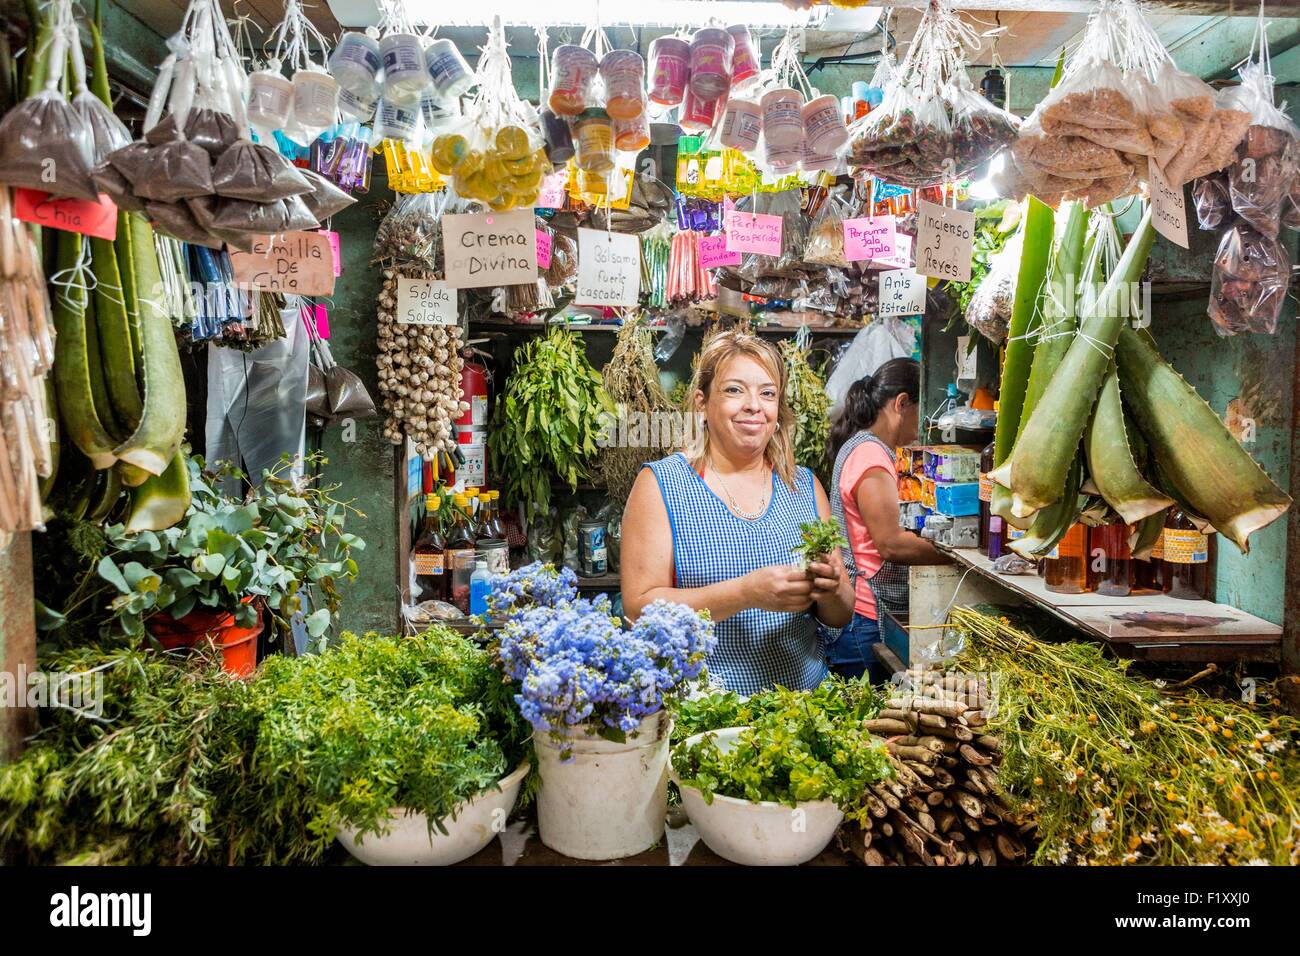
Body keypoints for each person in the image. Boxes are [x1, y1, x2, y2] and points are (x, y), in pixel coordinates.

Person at [621, 330, 855, 695]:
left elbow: (840, 615)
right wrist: (744, 594)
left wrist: (832, 589)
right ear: (702, 402)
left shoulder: (804, 487)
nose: (753, 405)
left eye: (767, 393)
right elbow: (639, 610)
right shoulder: (662, 485)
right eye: (734, 390)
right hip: (706, 712)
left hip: (803, 709)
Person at [825, 358, 950, 682]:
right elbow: (890, 542)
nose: (924, 423)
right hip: (866, 617)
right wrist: (958, 554)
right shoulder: (870, 454)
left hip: (862, 617)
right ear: (902, 403)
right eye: (923, 411)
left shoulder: (864, 446)